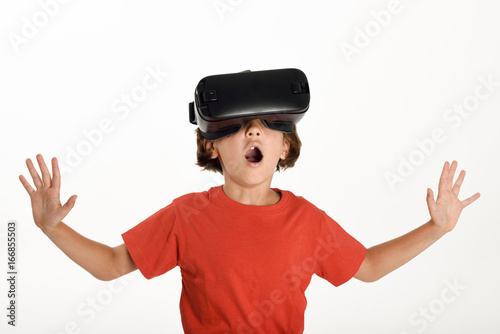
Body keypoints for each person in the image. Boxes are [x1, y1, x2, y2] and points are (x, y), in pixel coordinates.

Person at [19, 73, 480, 333]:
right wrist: (51, 227)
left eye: (265, 125)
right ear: (213, 147)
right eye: (240, 126)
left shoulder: (307, 221)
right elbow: (113, 263)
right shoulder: (187, 215)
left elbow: (368, 266)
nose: (253, 132)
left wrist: (436, 228)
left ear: (284, 148)